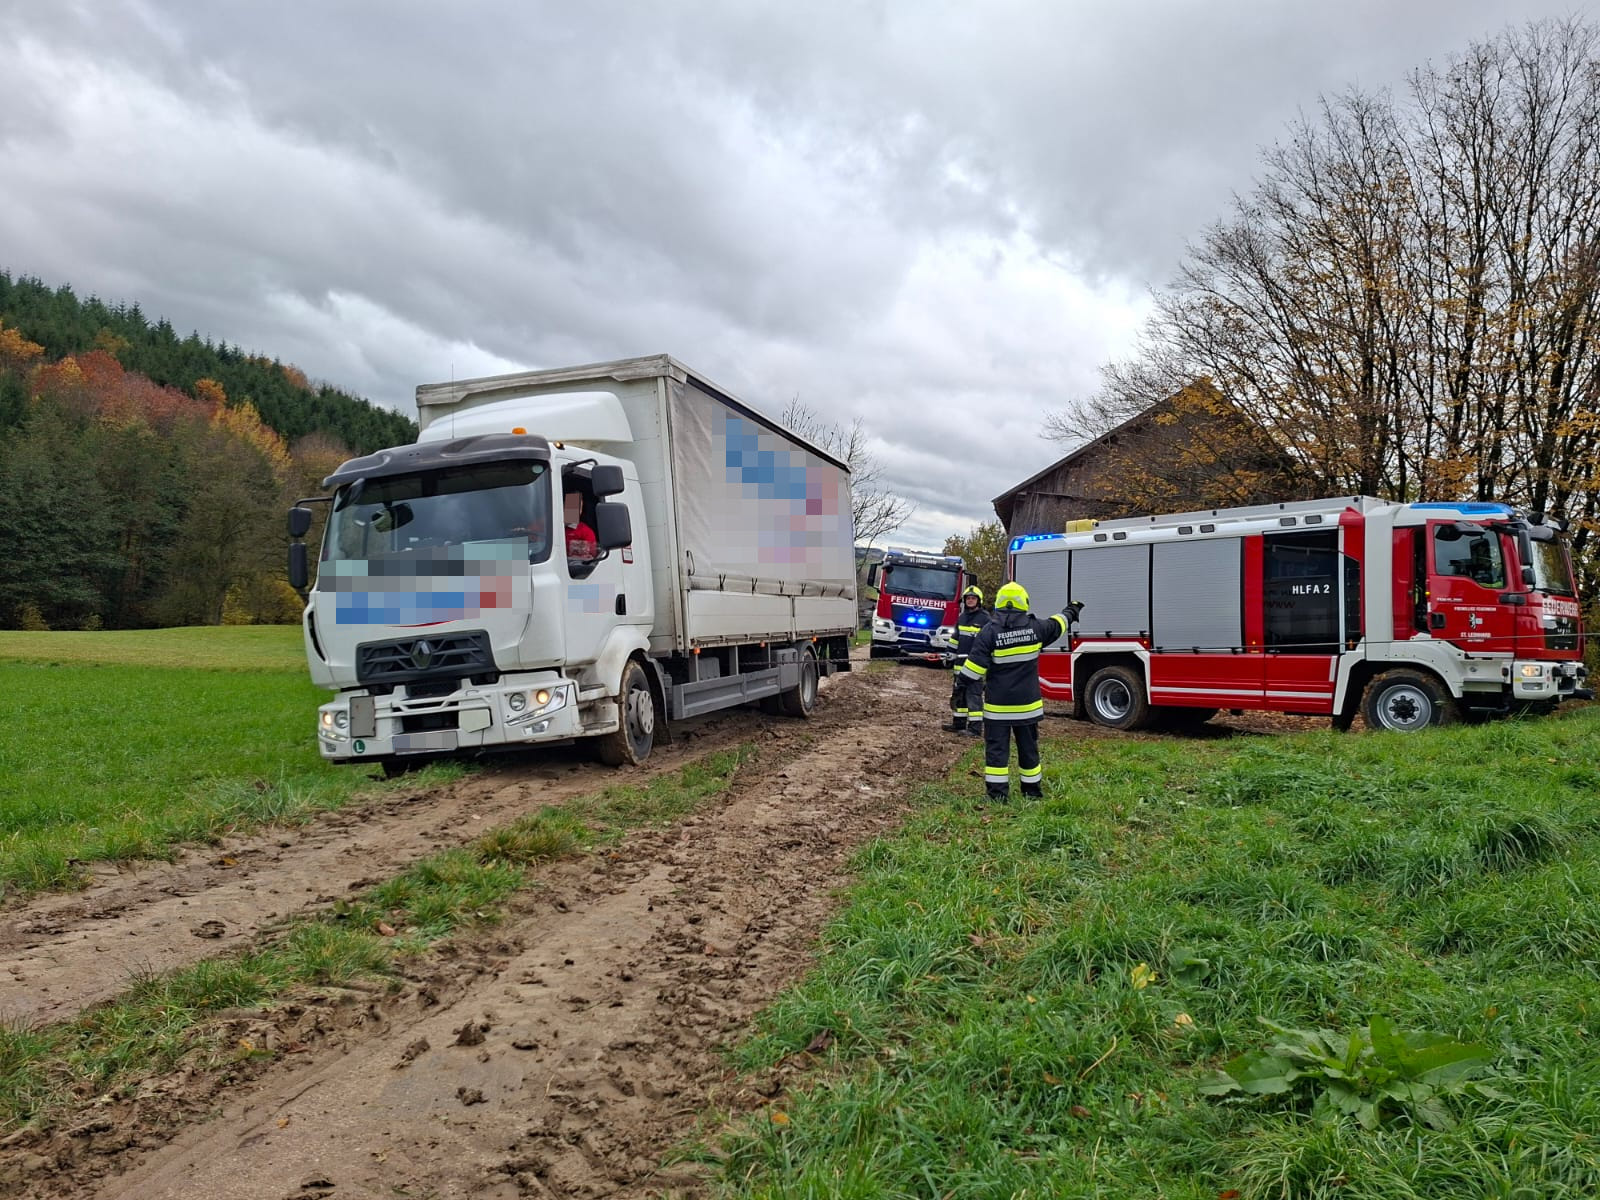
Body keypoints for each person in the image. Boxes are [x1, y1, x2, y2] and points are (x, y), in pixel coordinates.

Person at [959, 582, 1083, 801]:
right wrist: (1072, 610)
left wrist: (959, 685)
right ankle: (1032, 792)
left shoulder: (989, 632)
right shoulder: (1036, 628)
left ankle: (997, 796)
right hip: (1028, 707)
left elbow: (973, 671)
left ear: (998, 603)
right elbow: (1059, 623)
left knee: (997, 752)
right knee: (1028, 749)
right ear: (1024, 603)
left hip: (998, 708)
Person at [943, 585, 991, 735]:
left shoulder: (985, 619)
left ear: (979, 600)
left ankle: (975, 729)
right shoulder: (962, 617)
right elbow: (955, 639)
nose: (970, 600)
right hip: (959, 665)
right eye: (968, 598)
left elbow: (988, 643)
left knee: (973, 696)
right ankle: (958, 724)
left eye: (973, 598)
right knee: (959, 694)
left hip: (975, 666)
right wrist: (949, 654)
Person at [563, 490, 598, 560]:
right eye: (571, 505)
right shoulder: (550, 528)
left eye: (579, 507)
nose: (573, 510)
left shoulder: (586, 532)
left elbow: (591, 557)